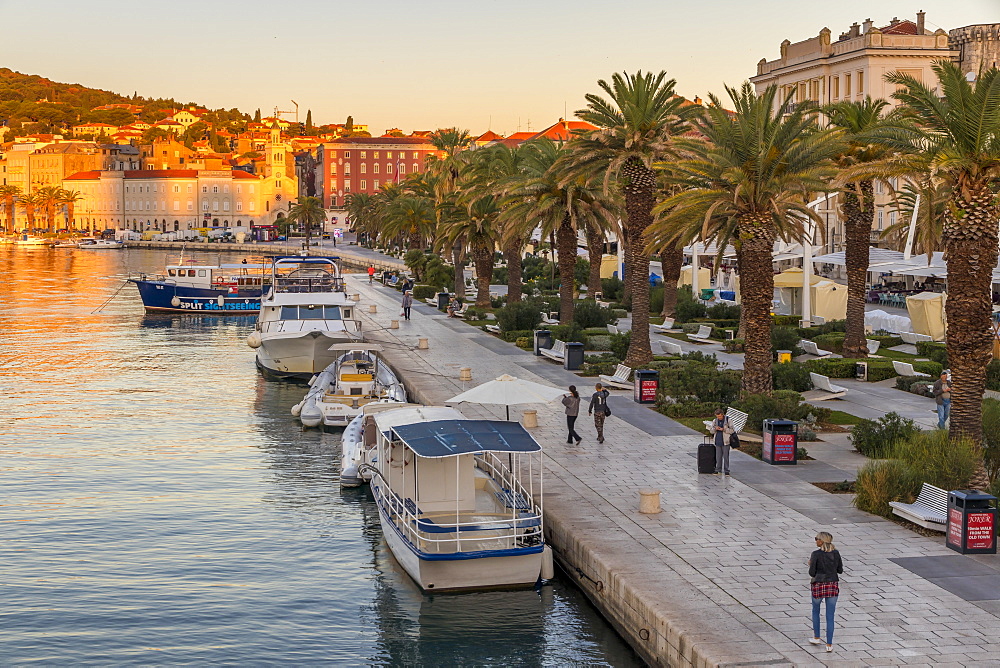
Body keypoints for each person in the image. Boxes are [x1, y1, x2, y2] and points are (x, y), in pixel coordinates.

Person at [808, 531, 844, 653]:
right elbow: (840, 570)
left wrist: (810, 564)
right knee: (830, 615)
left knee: (816, 610)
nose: (815, 541)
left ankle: (817, 637)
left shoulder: (816, 554)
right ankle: (829, 644)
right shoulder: (836, 553)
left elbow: (812, 573)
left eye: (816, 538)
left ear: (821, 541)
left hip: (818, 584)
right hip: (832, 584)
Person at [712, 407, 733, 475]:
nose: (719, 418)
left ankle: (727, 470)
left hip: (726, 441)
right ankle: (718, 469)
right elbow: (711, 431)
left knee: (726, 456)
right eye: (717, 416)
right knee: (718, 456)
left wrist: (724, 429)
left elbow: (732, 430)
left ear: (722, 414)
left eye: (720, 416)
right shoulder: (715, 421)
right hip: (717, 440)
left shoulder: (728, 420)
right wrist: (715, 428)